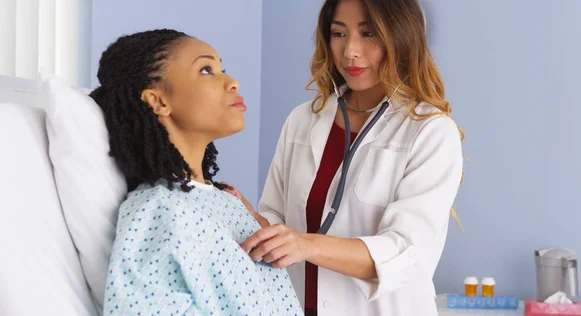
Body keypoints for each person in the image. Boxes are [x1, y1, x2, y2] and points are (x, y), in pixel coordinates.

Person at [236, 0, 464, 315]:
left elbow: (405, 252)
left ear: (400, 37)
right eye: (339, 34)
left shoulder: (430, 131)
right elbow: (280, 224)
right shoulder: (303, 120)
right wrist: (252, 220)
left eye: (368, 33)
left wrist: (306, 244)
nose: (350, 51)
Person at [90, 29, 302, 315]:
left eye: (220, 68)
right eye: (206, 70)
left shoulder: (228, 202)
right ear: (158, 101)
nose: (232, 82)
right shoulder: (156, 210)